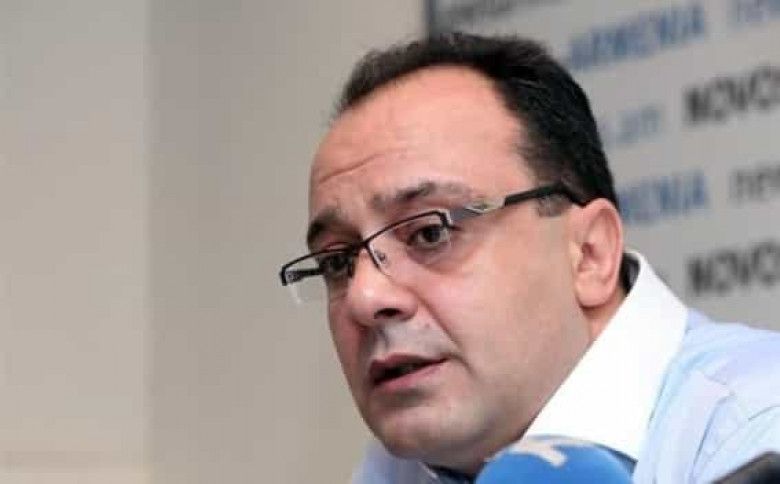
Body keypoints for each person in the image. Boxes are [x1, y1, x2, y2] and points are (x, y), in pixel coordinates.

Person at [278, 33, 780, 483]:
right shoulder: (397, 471)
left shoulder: (756, 436)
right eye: (338, 263)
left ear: (590, 254)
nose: (365, 297)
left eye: (430, 233)